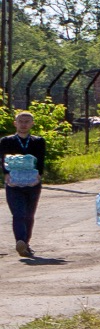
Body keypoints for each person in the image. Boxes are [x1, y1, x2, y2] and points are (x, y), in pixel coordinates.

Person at [1, 110, 49, 260]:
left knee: (29, 214)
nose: (23, 124)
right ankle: (20, 241)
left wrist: (39, 175)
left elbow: (40, 160)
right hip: (14, 183)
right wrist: (6, 174)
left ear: (32, 124)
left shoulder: (38, 141)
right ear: (15, 123)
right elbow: (2, 159)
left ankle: (25, 244)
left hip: (32, 182)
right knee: (18, 213)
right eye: (21, 121)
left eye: (27, 122)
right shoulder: (6, 141)